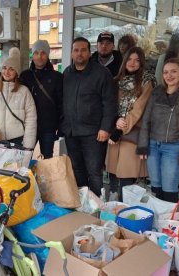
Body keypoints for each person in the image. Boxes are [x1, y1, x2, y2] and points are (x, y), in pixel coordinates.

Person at [137, 58, 179, 203]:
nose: (169, 75)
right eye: (165, 72)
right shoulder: (157, 92)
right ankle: (157, 219)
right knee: (156, 185)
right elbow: (146, 120)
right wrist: (143, 146)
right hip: (153, 145)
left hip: (174, 147)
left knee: (169, 187)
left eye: (173, 71)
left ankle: (168, 221)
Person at [61, 37, 117, 197]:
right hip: (72, 132)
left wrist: (105, 128)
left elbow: (110, 103)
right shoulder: (67, 73)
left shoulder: (101, 73)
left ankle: (96, 206)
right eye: (76, 50)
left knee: (94, 172)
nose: (79, 53)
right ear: (72, 53)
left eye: (83, 50)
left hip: (93, 133)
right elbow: (63, 100)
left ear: (89, 52)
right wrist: (62, 124)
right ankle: (84, 203)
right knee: (77, 170)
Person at [106, 47, 156, 201]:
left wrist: (121, 128)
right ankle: (115, 207)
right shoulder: (117, 80)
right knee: (113, 172)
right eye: (129, 59)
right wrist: (115, 121)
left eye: (137, 60)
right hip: (115, 133)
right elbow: (109, 104)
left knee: (127, 175)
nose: (132, 63)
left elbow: (138, 109)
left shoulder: (147, 82)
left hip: (132, 134)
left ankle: (126, 210)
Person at [0, 47, 37, 149]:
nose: (7, 72)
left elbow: (31, 120)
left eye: (11, 69)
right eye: (5, 68)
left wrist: (28, 145)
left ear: (17, 72)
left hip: (17, 141)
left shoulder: (24, 92)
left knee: (14, 165)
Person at [20, 40, 63, 158]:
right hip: (28, 125)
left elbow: (61, 103)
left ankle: (46, 177)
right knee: (24, 157)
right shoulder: (24, 76)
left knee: (47, 159)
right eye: (36, 53)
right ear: (32, 55)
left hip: (48, 127)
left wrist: (60, 126)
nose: (39, 56)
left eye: (43, 53)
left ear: (48, 55)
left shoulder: (57, 77)